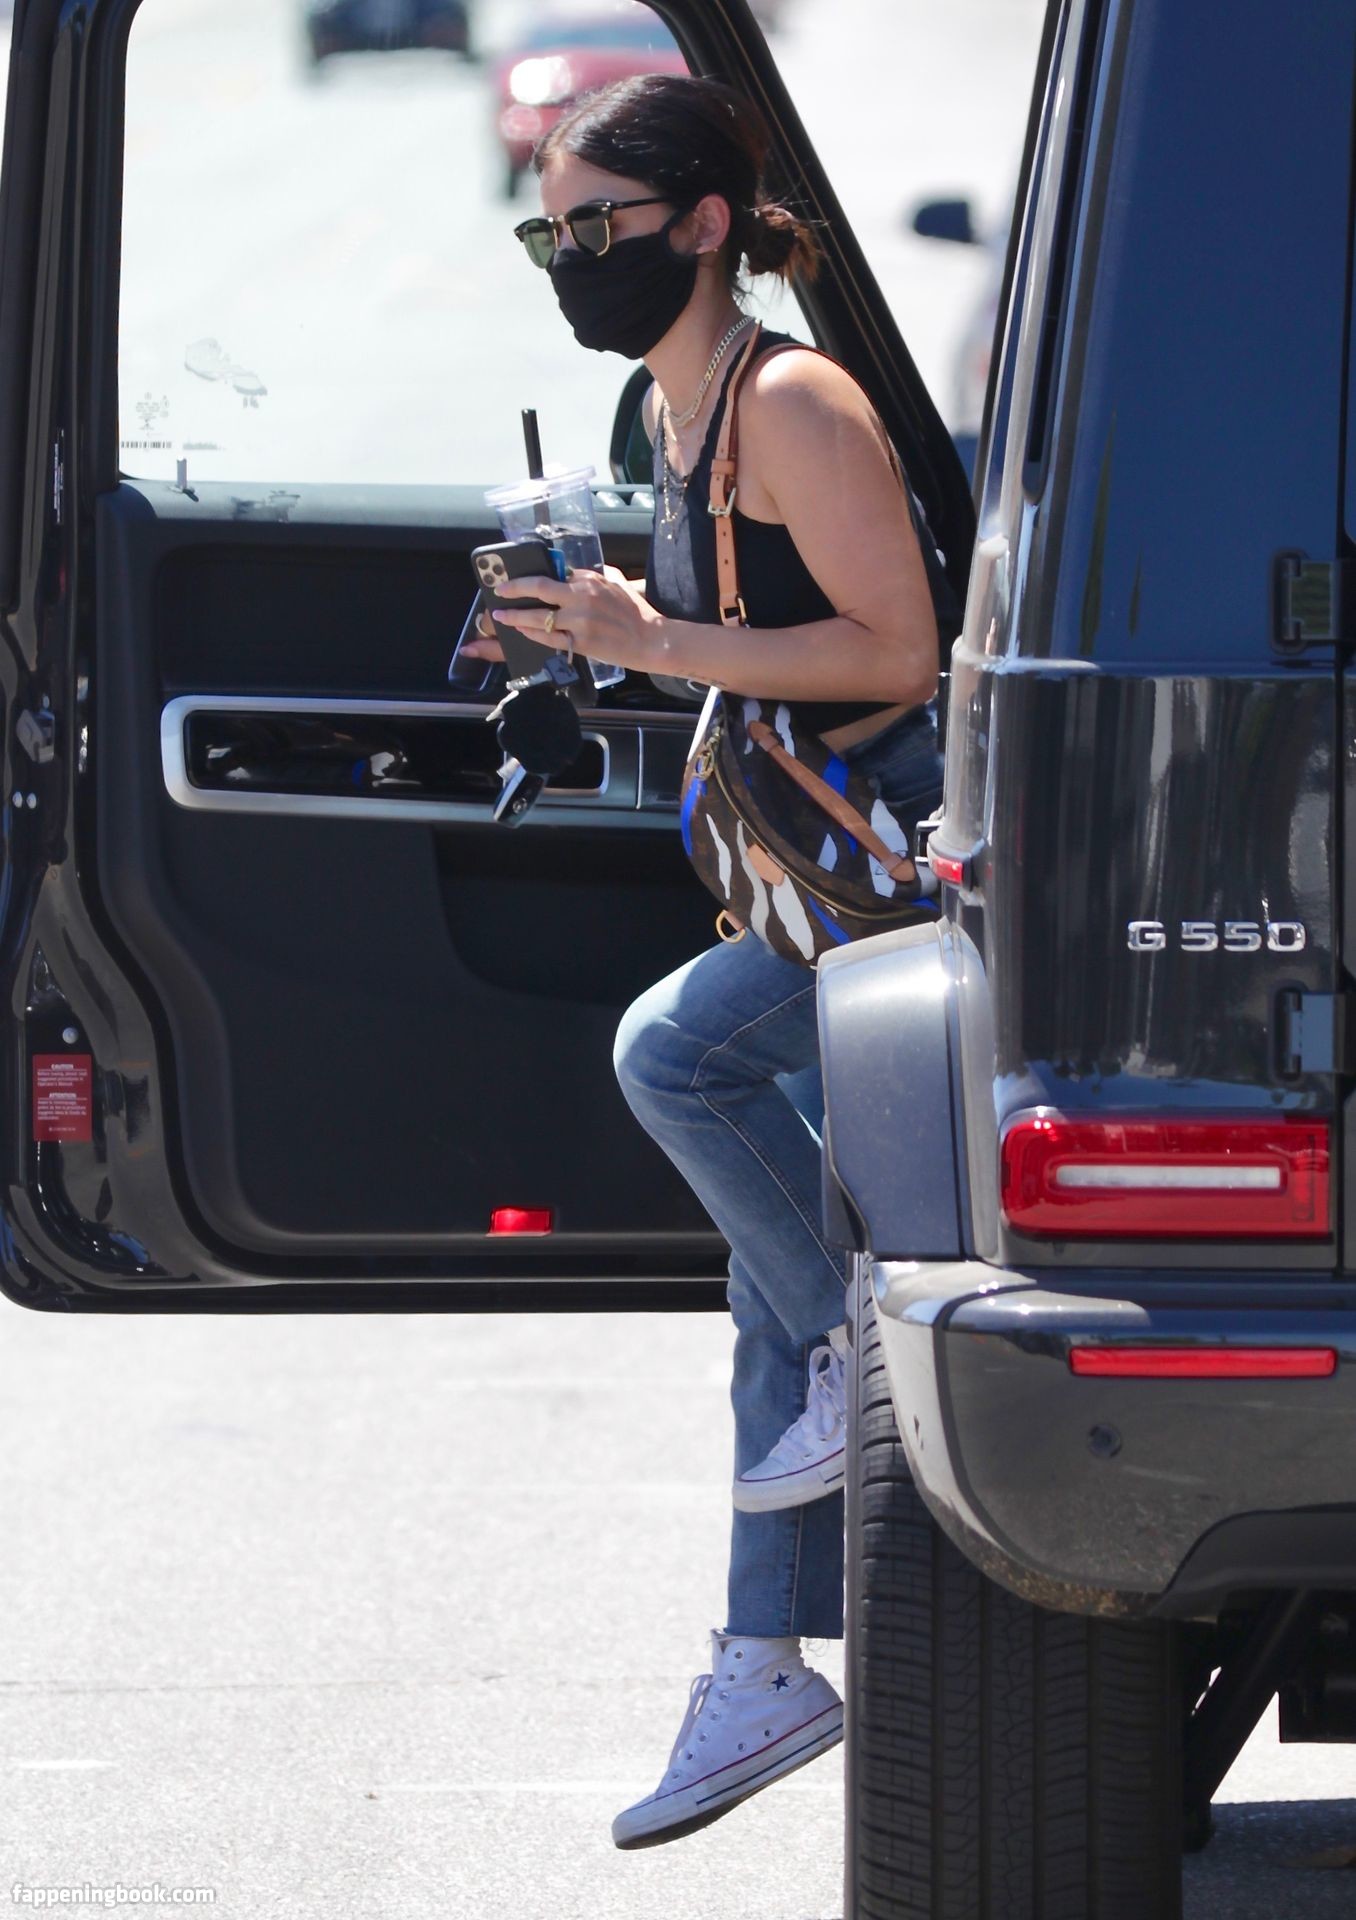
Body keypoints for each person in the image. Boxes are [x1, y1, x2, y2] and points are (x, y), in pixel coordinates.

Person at [461, 72, 945, 1850]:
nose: (574, 258)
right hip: (798, 868)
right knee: (768, 1273)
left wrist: (654, 635)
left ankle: (851, 1350)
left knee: (672, 1055)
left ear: (706, 223)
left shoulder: (790, 400)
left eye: (600, 225)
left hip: (887, 874)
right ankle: (763, 1659)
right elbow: (740, 638)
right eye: (552, 232)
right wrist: (576, 639)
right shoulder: (666, 414)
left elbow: (898, 650)